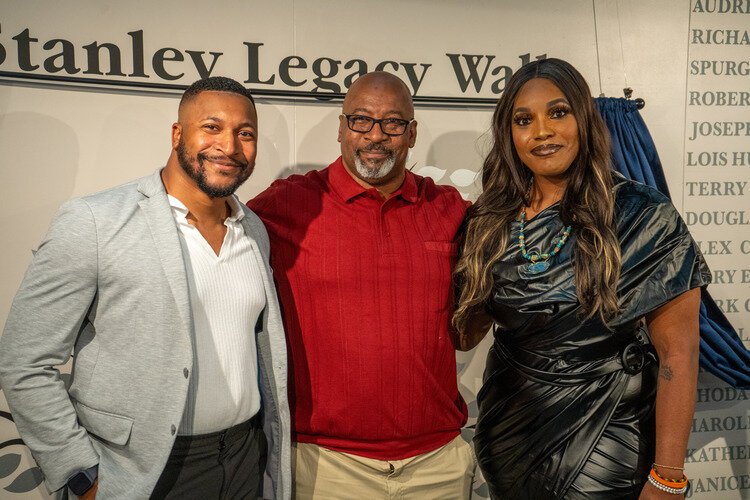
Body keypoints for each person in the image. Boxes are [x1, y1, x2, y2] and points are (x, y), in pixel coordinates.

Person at [0, 77, 291, 499]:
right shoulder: (94, 221)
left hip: (244, 458)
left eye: (245, 134)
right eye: (211, 127)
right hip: (142, 471)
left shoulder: (253, 230)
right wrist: (81, 474)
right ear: (178, 134)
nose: (229, 147)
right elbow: (24, 363)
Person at [453, 58, 709, 499]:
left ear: (584, 120)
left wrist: (667, 476)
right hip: (509, 430)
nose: (542, 131)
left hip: (608, 433)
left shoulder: (640, 215)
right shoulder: (488, 219)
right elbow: (465, 335)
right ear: (508, 135)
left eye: (558, 112)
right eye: (523, 120)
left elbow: (679, 355)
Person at [248, 71, 474, 498]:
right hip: (325, 467)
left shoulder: (448, 209)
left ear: (411, 134)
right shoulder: (288, 203)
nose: (376, 135)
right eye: (361, 121)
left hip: (437, 465)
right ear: (341, 128)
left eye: (392, 123)